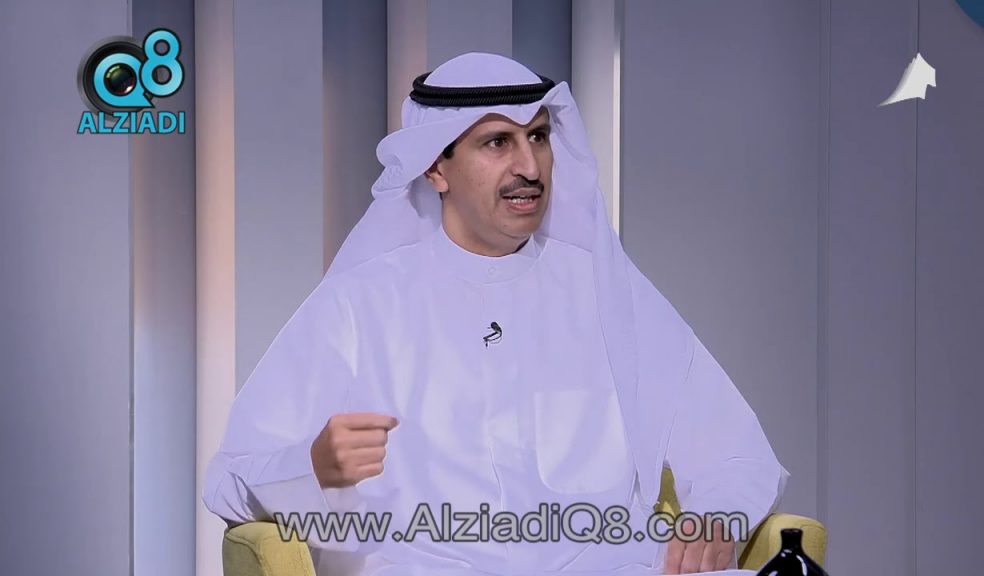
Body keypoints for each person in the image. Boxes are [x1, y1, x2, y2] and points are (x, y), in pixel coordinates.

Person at [203, 52, 789, 576]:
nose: (530, 166)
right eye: (497, 143)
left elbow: (733, 450)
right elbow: (231, 478)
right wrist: (312, 469)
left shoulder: (606, 291)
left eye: (539, 137)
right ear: (436, 169)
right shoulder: (359, 304)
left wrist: (717, 516)